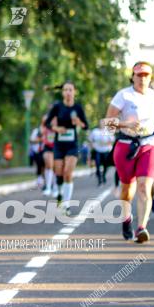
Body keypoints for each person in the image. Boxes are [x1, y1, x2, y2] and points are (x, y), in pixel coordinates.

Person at [105, 61, 154, 243]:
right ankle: (126, 220)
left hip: (150, 145)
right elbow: (106, 124)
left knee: (144, 187)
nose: (143, 78)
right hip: (126, 145)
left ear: (150, 77)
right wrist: (124, 124)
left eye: (146, 75)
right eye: (139, 75)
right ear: (133, 76)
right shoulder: (123, 96)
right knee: (127, 190)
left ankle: (141, 228)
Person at [45, 82, 89, 212]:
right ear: (62, 92)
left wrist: (79, 122)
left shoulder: (78, 108)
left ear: (74, 91)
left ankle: (67, 204)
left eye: (70, 90)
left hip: (72, 144)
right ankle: (59, 194)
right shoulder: (57, 107)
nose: (68, 92)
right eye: (65, 90)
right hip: (59, 144)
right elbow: (47, 123)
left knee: (68, 173)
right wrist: (56, 128)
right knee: (58, 172)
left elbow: (86, 126)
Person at [89, 120, 115, 185]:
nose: (102, 124)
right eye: (101, 123)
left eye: (103, 123)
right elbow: (90, 140)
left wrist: (106, 144)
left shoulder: (107, 131)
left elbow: (112, 140)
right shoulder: (95, 131)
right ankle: (99, 178)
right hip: (97, 150)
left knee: (106, 165)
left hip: (106, 150)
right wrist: (93, 147)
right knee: (97, 164)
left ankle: (103, 175)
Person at [41, 114, 56, 196]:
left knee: (55, 167)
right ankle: (48, 187)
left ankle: (55, 187)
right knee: (49, 165)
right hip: (47, 147)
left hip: (56, 147)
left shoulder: (58, 122)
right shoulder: (46, 123)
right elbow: (43, 121)